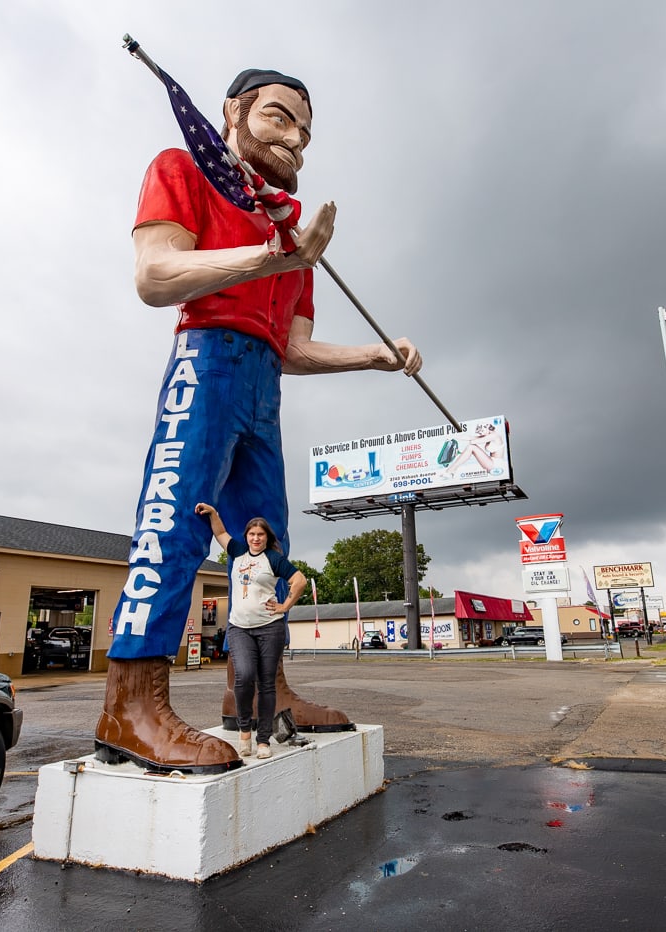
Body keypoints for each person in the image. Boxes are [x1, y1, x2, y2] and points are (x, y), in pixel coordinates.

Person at [95, 67, 422, 774]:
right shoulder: (184, 169)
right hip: (206, 363)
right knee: (176, 523)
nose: (295, 138)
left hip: (263, 386)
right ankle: (130, 704)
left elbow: (295, 347)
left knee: (267, 544)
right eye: (278, 117)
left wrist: (375, 354)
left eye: (305, 130)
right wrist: (270, 255)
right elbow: (155, 276)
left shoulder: (293, 238)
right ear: (232, 113)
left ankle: (260, 691)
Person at [195, 504, 303, 759]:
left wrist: (285, 605)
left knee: (267, 683)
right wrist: (213, 513)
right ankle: (245, 731)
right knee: (243, 677)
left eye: (261, 535)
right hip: (239, 627)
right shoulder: (237, 552)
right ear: (246, 536)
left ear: (267, 538)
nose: (256, 539)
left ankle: (263, 740)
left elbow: (299, 581)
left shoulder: (274, 559)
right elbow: (220, 533)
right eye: (252, 534)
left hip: (269, 628)